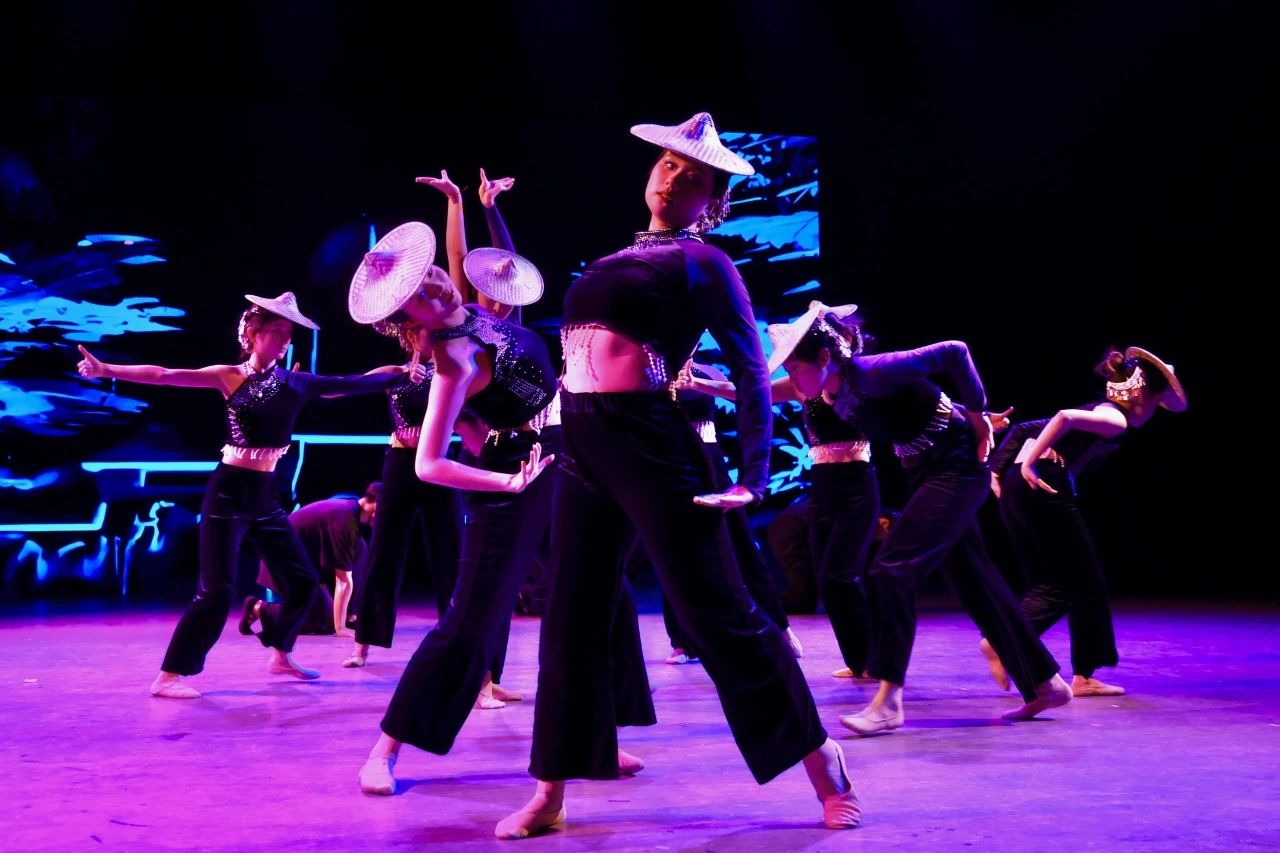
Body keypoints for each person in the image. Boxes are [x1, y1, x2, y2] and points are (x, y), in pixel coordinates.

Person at [498, 113, 860, 840]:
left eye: (692, 177)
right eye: (667, 165)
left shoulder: (705, 262)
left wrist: (755, 474)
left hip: (651, 442)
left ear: (713, 201)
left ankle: (824, 761)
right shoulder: (609, 260)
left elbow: (752, 370)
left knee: (715, 611)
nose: (673, 179)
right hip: (582, 440)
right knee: (569, 616)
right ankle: (552, 788)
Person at [76, 292, 407, 698]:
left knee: (303, 583)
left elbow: (349, 384)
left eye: (288, 334)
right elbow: (164, 374)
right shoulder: (229, 376)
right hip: (229, 493)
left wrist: (400, 371)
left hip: (265, 497)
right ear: (252, 333)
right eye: (277, 331)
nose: (285, 340)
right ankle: (169, 676)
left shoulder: (296, 382)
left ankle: (280, 653)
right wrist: (105, 369)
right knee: (216, 590)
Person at [346, 181, 564, 795]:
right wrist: (506, 481)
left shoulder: (477, 309)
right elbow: (428, 464)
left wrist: (465, 206)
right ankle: (386, 749)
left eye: (431, 276)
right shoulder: (452, 360)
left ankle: (589, 736)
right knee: (470, 620)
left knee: (598, 598)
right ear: (408, 319)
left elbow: (479, 260)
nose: (434, 287)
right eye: (417, 295)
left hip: (562, 451)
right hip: (513, 469)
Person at [762, 300, 1070, 735]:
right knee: (976, 582)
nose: (791, 378)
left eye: (794, 368)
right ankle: (1045, 682)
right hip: (925, 469)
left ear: (824, 357)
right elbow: (769, 388)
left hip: (957, 464)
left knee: (892, 569)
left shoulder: (870, 371)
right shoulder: (827, 391)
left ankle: (888, 700)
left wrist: (977, 414)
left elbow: (955, 351)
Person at [985, 346, 1188, 698]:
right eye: (1157, 404)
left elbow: (1025, 429)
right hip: (1044, 487)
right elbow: (1063, 416)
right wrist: (1029, 463)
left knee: (1071, 583)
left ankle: (1079, 673)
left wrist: (1000, 470)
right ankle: (1004, 643)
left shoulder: (1101, 410)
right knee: (1077, 583)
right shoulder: (1115, 419)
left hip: (1026, 488)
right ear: (1141, 397)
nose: (1155, 412)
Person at [243, 482, 380, 637]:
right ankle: (259, 608)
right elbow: (343, 580)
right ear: (376, 507)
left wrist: (349, 614)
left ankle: (349, 615)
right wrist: (340, 628)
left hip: (306, 568)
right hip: (279, 566)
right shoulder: (343, 521)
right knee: (326, 622)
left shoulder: (350, 513)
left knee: (359, 547)